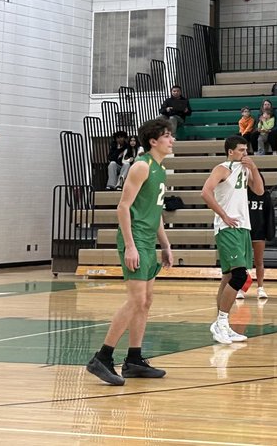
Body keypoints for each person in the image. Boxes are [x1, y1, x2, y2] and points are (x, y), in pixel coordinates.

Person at [85, 117, 174, 385]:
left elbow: (155, 212)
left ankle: (134, 359)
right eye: (167, 136)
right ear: (153, 141)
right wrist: (131, 246)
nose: (172, 140)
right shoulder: (141, 166)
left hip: (148, 240)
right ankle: (102, 357)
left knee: (146, 301)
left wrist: (166, 244)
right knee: (135, 300)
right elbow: (123, 208)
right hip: (134, 239)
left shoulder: (161, 168)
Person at [201, 136, 265, 345]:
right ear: (230, 151)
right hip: (227, 227)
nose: (244, 154)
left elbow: (260, 191)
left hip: (243, 227)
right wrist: (224, 215)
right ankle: (221, 322)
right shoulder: (221, 168)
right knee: (239, 276)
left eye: (246, 150)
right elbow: (205, 192)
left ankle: (222, 324)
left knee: (228, 277)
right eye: (240, 150)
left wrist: (253, 168)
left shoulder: (245, 169)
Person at [237, 167, 273, 301]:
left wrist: (269, 232)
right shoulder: (241, 194)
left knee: (259, 261)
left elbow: (269, 215)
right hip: (244, 230)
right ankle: (241, 288)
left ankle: (260, 288)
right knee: (243, 262)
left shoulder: (265, 195)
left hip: (259, 231)